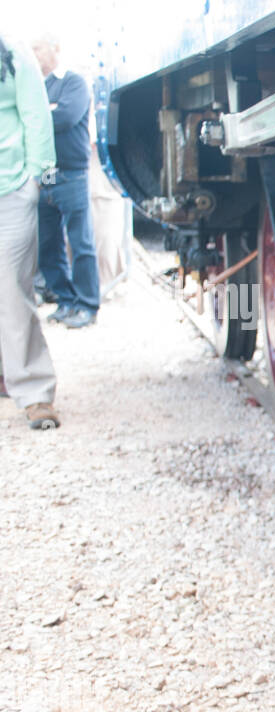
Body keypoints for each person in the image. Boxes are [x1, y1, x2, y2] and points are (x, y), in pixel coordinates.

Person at [0, 32, 59, 429]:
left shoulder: (14, 55)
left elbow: (37, 116)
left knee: (12, 291)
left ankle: (35, 391)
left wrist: (34, 182)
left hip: (10, 191)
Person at [32, 34, 98, 330]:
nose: (33, 54)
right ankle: (65, 301)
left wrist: (39, 115)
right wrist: (48, 111)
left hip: (71, 173)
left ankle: (86, 304)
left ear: (55, 48)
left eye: (37, 47)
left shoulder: (74, 82)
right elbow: (41, 117)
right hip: (43, 174)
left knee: (80, 241)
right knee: (49, 243)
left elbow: (67, 117)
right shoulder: (36, 86)